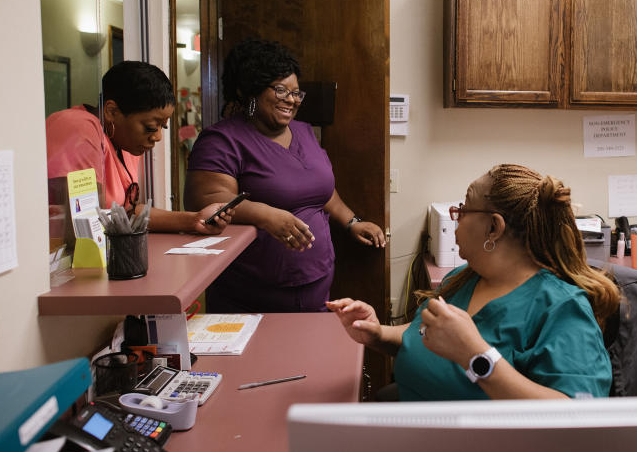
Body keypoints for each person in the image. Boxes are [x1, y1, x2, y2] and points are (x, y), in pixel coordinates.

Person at [328, 164, 620, 401]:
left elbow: (577, 419)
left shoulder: (561, 308)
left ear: (494, 227)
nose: (456, 217)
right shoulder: (462, 279)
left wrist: (475, 355)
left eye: (464, 209)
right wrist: (378, 333)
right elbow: (424, 333)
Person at [183, 38, 385, 313]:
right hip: (251, 295)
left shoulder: (304, 131)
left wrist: (352, 222)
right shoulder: (221, 140)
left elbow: (320, 189)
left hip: (316, 286)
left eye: (297, 93)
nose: (292, 100)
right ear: (249, 91)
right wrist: (265, 215)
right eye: (281, 90)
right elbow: (206, 201)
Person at [45, 61, 232, 234]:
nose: (157, 137)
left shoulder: (124, 143)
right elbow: (87, 219)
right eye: (151, 127)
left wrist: (195, 219)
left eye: (162, 127)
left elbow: (126, 213)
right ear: (112, 112)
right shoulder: (78, 127)